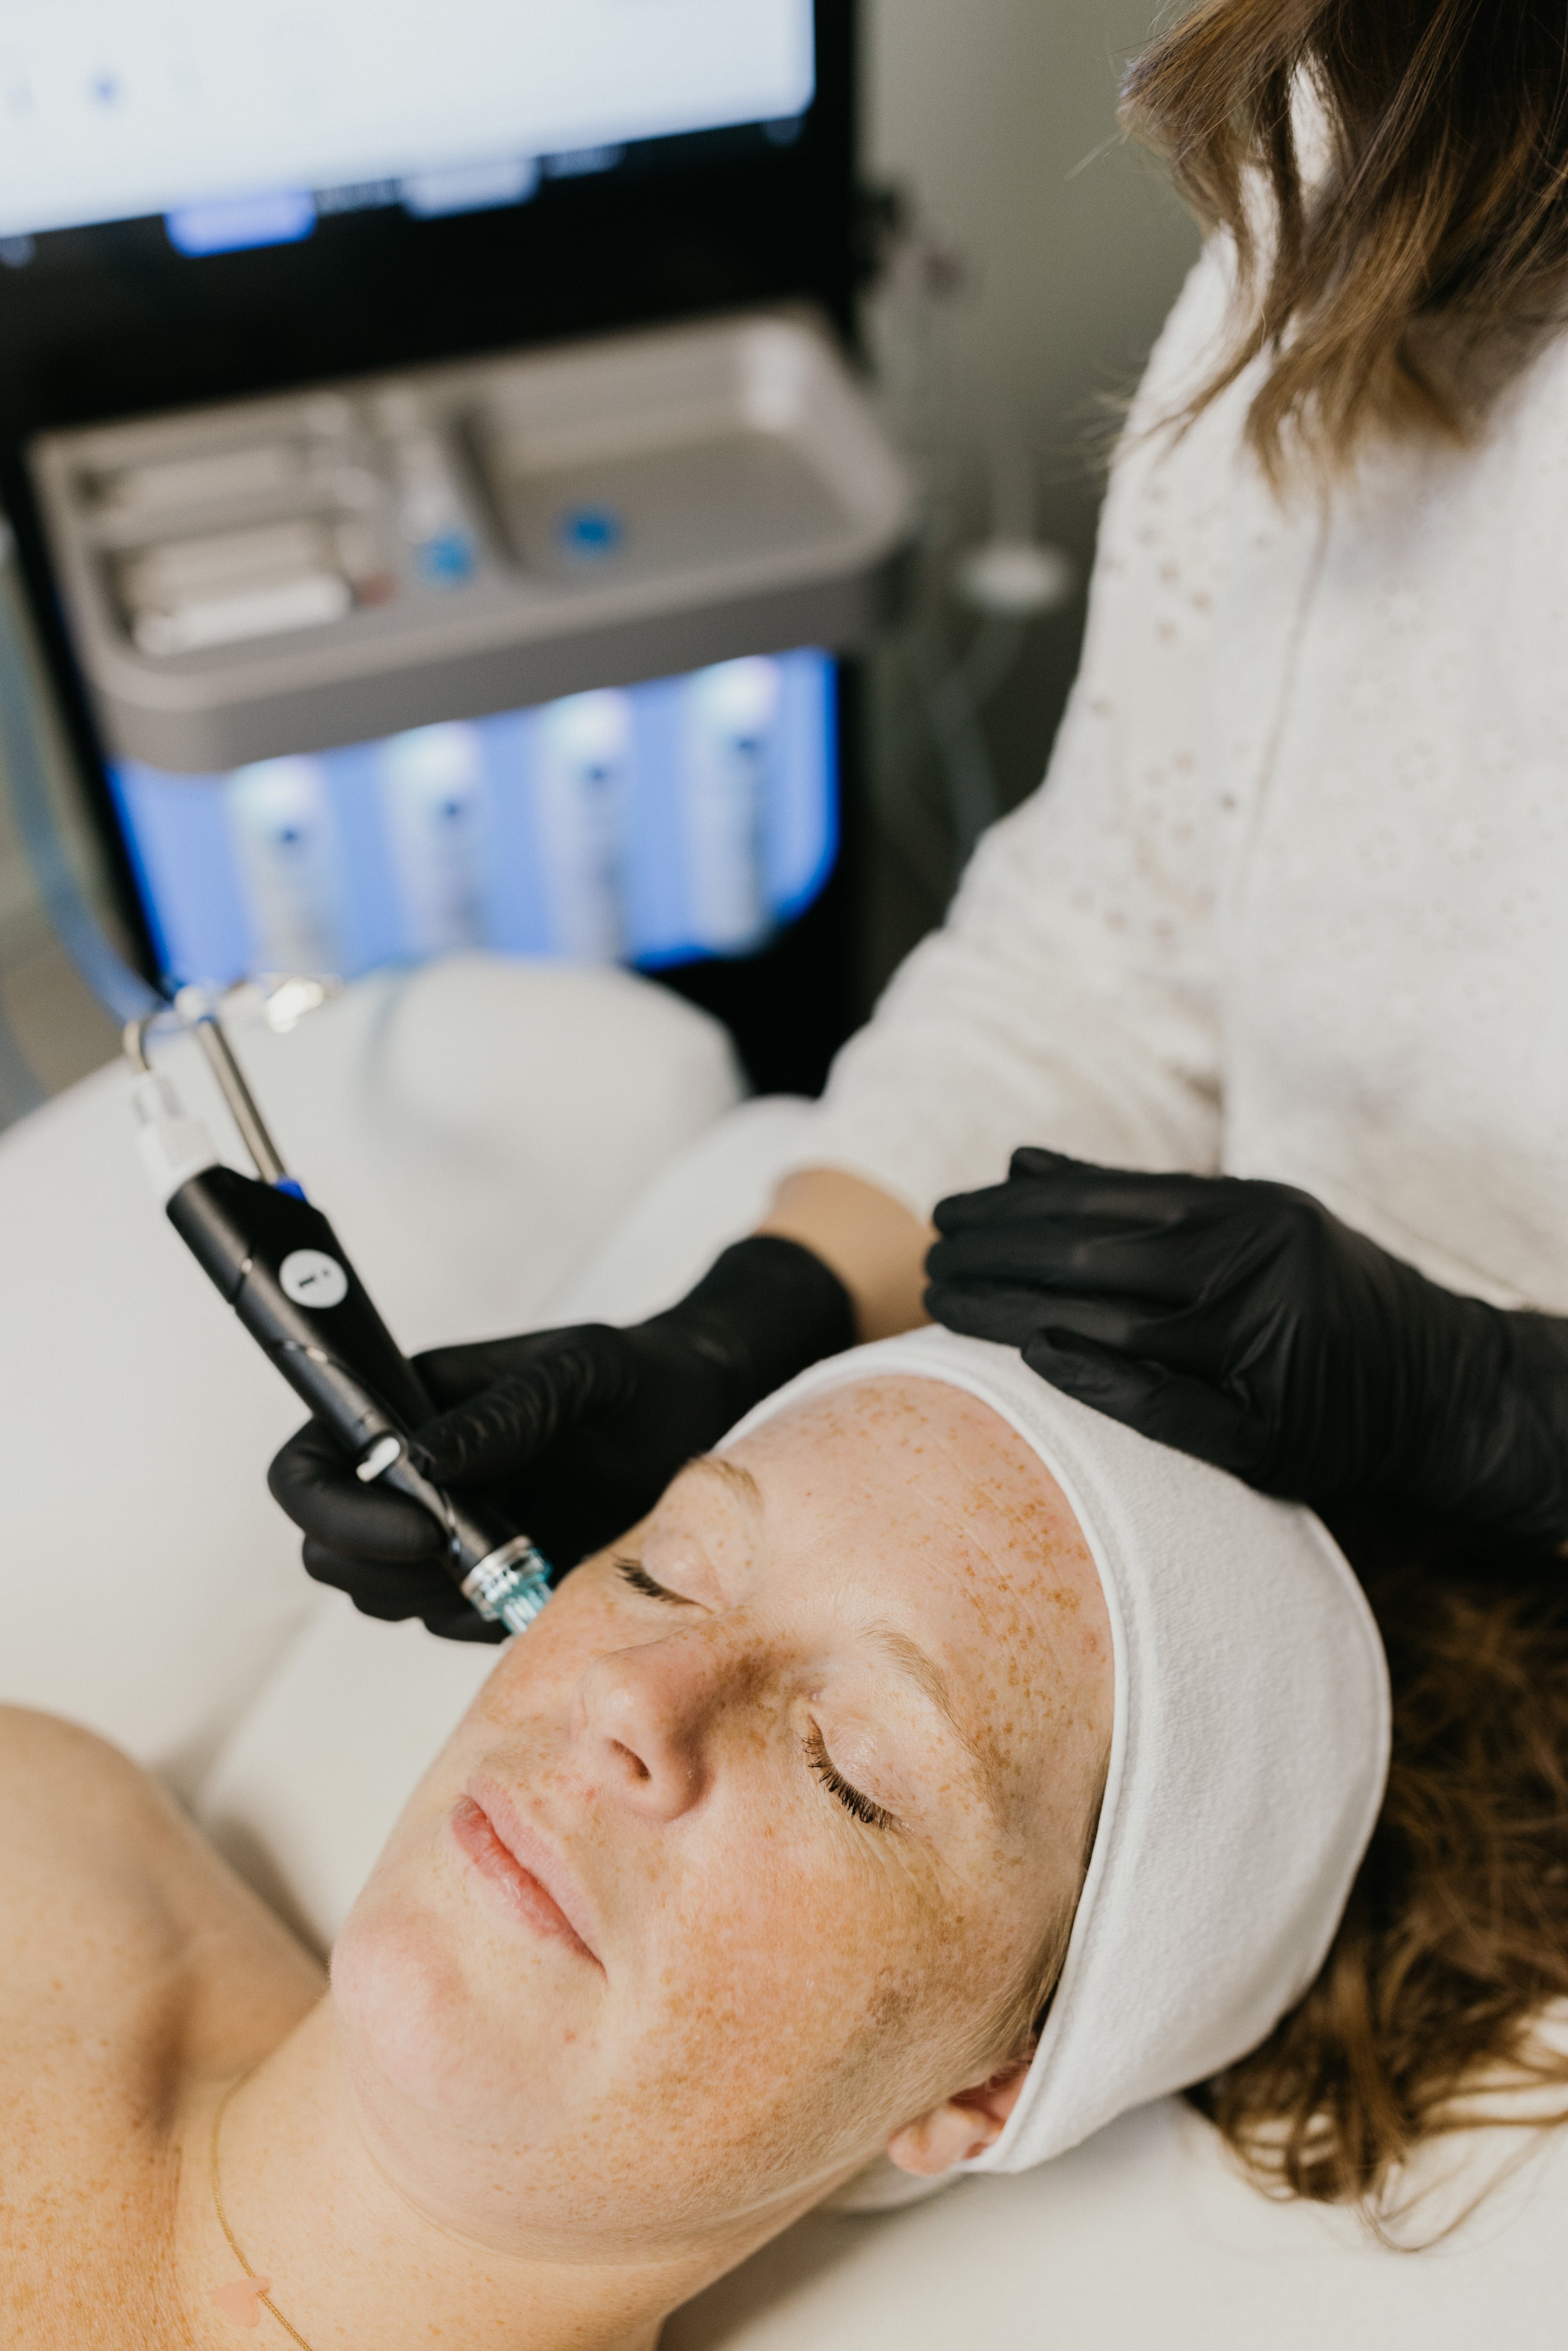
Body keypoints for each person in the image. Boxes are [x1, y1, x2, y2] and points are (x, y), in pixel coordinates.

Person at [271, 0, 1568, 1635]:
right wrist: (736, 1333)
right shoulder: (1380, 132)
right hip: (1263, 1497)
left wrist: (1498, 1408)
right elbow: (1107, 958)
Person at [4, 1330, 1410, 2347]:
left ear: (987, 2084)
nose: (635, 1694)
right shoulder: (38, 1826)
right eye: (659, 1572)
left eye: (851, 1771)